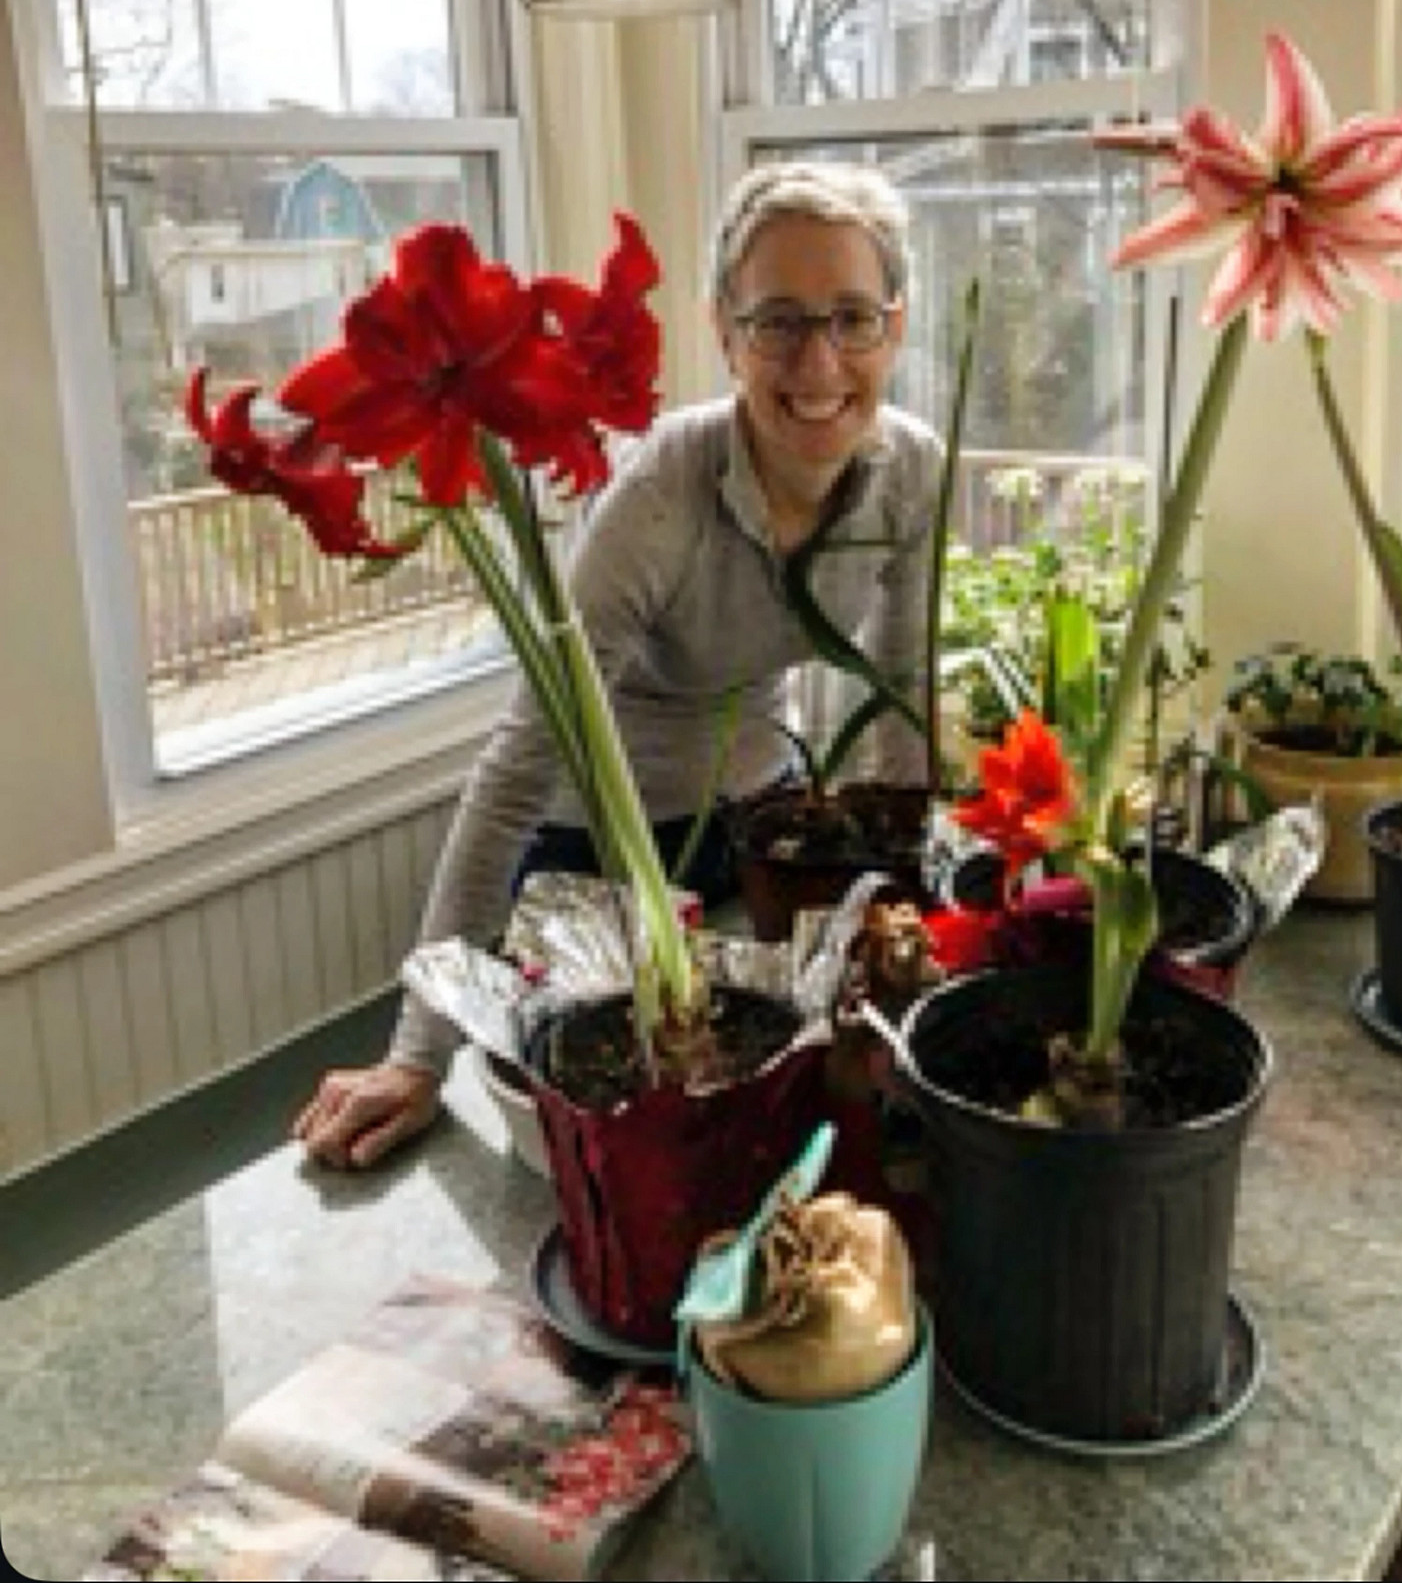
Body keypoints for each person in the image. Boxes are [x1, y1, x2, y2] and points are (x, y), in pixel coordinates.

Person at [294, 158, 943, 1167]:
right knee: (611, 1151)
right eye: (777, 318)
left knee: (782, 1123)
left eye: (851, 315)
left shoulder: (912, 470)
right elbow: (516, 771)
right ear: (724, 333)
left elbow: (901, 715)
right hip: (591, 854)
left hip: (762, 830)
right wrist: (417, 1056)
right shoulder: (657, 495)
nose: (817, 362)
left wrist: (918, 942)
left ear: (894, 327)